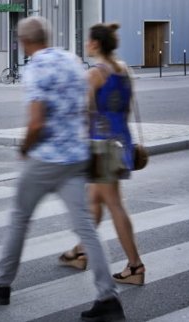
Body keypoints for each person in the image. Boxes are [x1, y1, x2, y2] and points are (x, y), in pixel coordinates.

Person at [0, 17, 125, 321]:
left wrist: (25, 148)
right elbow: (87, 107)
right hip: (76, 156)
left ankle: (0, 284)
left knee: (19, 218)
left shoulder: (34, 68)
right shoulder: (72, 59)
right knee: (86, 227)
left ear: (25, 42)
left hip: (46, 158)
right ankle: (108, 298)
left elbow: (37, 121)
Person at [59, 23, 145, 286]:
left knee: (115, 204)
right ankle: (80, 251)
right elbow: (126, 109)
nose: (86, 44)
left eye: (88, 40)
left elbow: (80, 113)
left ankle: (135, 266)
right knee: (94, 200)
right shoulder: (124, 70)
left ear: (95, 44)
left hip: (101, 147)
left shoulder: (96, 73)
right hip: (121, 142)